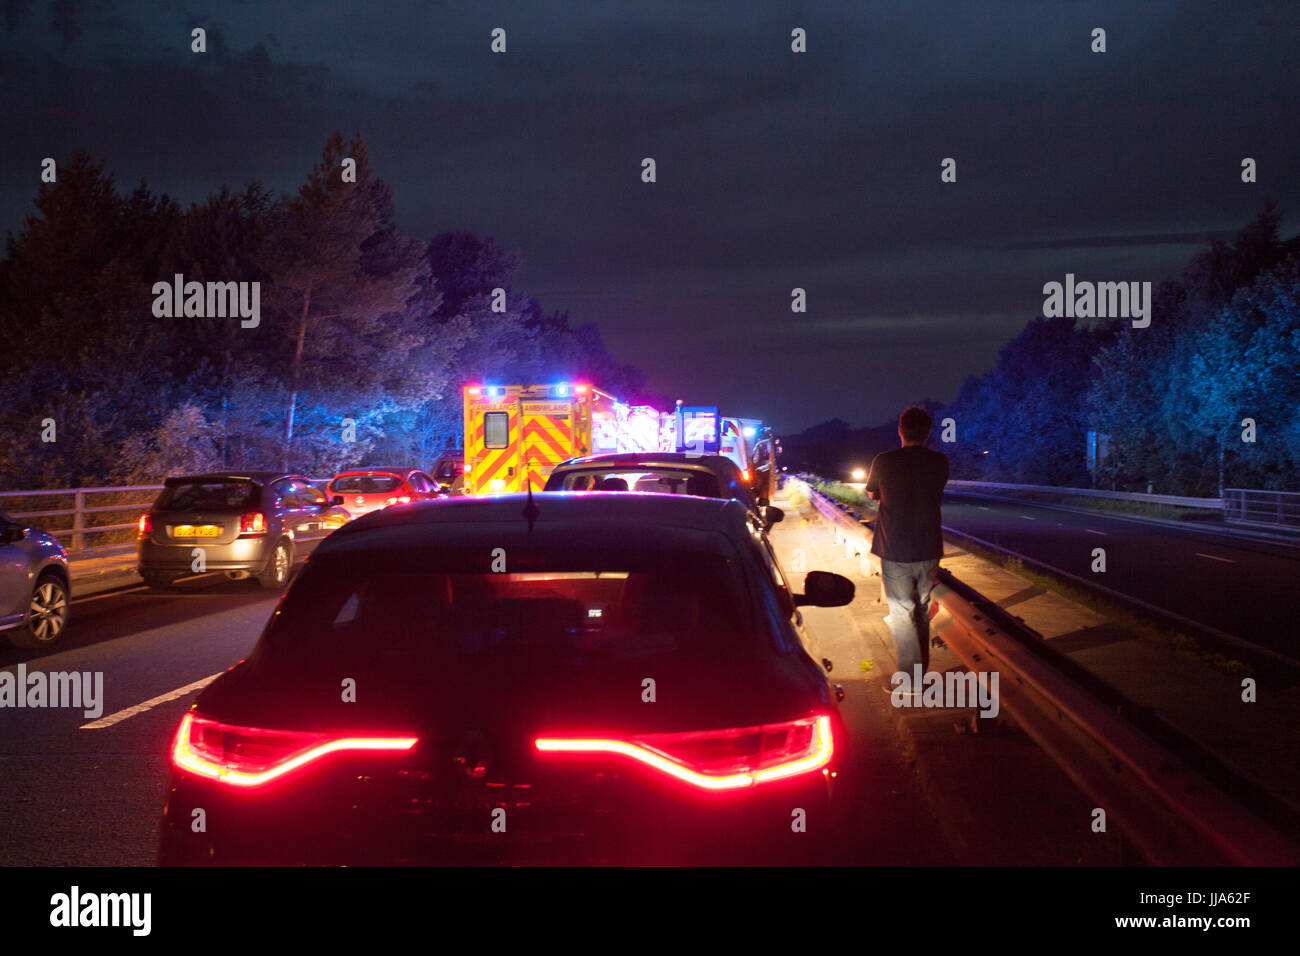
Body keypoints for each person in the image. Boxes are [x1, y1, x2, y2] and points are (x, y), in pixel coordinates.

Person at [865, 406, 948, 676]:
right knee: (922, 609)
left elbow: (872, 493)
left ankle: (911, 679)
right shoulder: (940, 462)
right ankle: (920, 670)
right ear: (927, 433)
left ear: (900, 431)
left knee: (902, 612)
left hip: (895, 548)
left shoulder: (884, 460)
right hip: (928, 547)